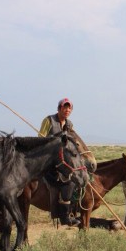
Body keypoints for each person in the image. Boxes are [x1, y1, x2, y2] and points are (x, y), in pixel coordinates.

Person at [39, 97, 78, 226]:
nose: (67, 110)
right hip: (49, 159)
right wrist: (55, 139)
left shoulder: (69, 124)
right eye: (65, 107)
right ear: (59, 108)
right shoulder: (49, 120)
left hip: (63, 160)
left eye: (69, 108)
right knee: (66, 181)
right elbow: (40, 139)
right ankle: (64, 215)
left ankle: (73, 210)